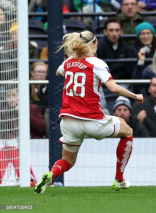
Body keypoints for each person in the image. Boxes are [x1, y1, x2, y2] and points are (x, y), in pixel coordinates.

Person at [34, 30, 144, 194]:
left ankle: (51, 174)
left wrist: (72, 58)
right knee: (127, 131)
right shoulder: (96, 63)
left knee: (67, 161)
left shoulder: (69, 62)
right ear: (92, 44)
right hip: (91, 120)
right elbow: (113, 88)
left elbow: (58, 72)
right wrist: (134, 95)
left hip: (68, 120)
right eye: (96, 44)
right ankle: (119, 179)